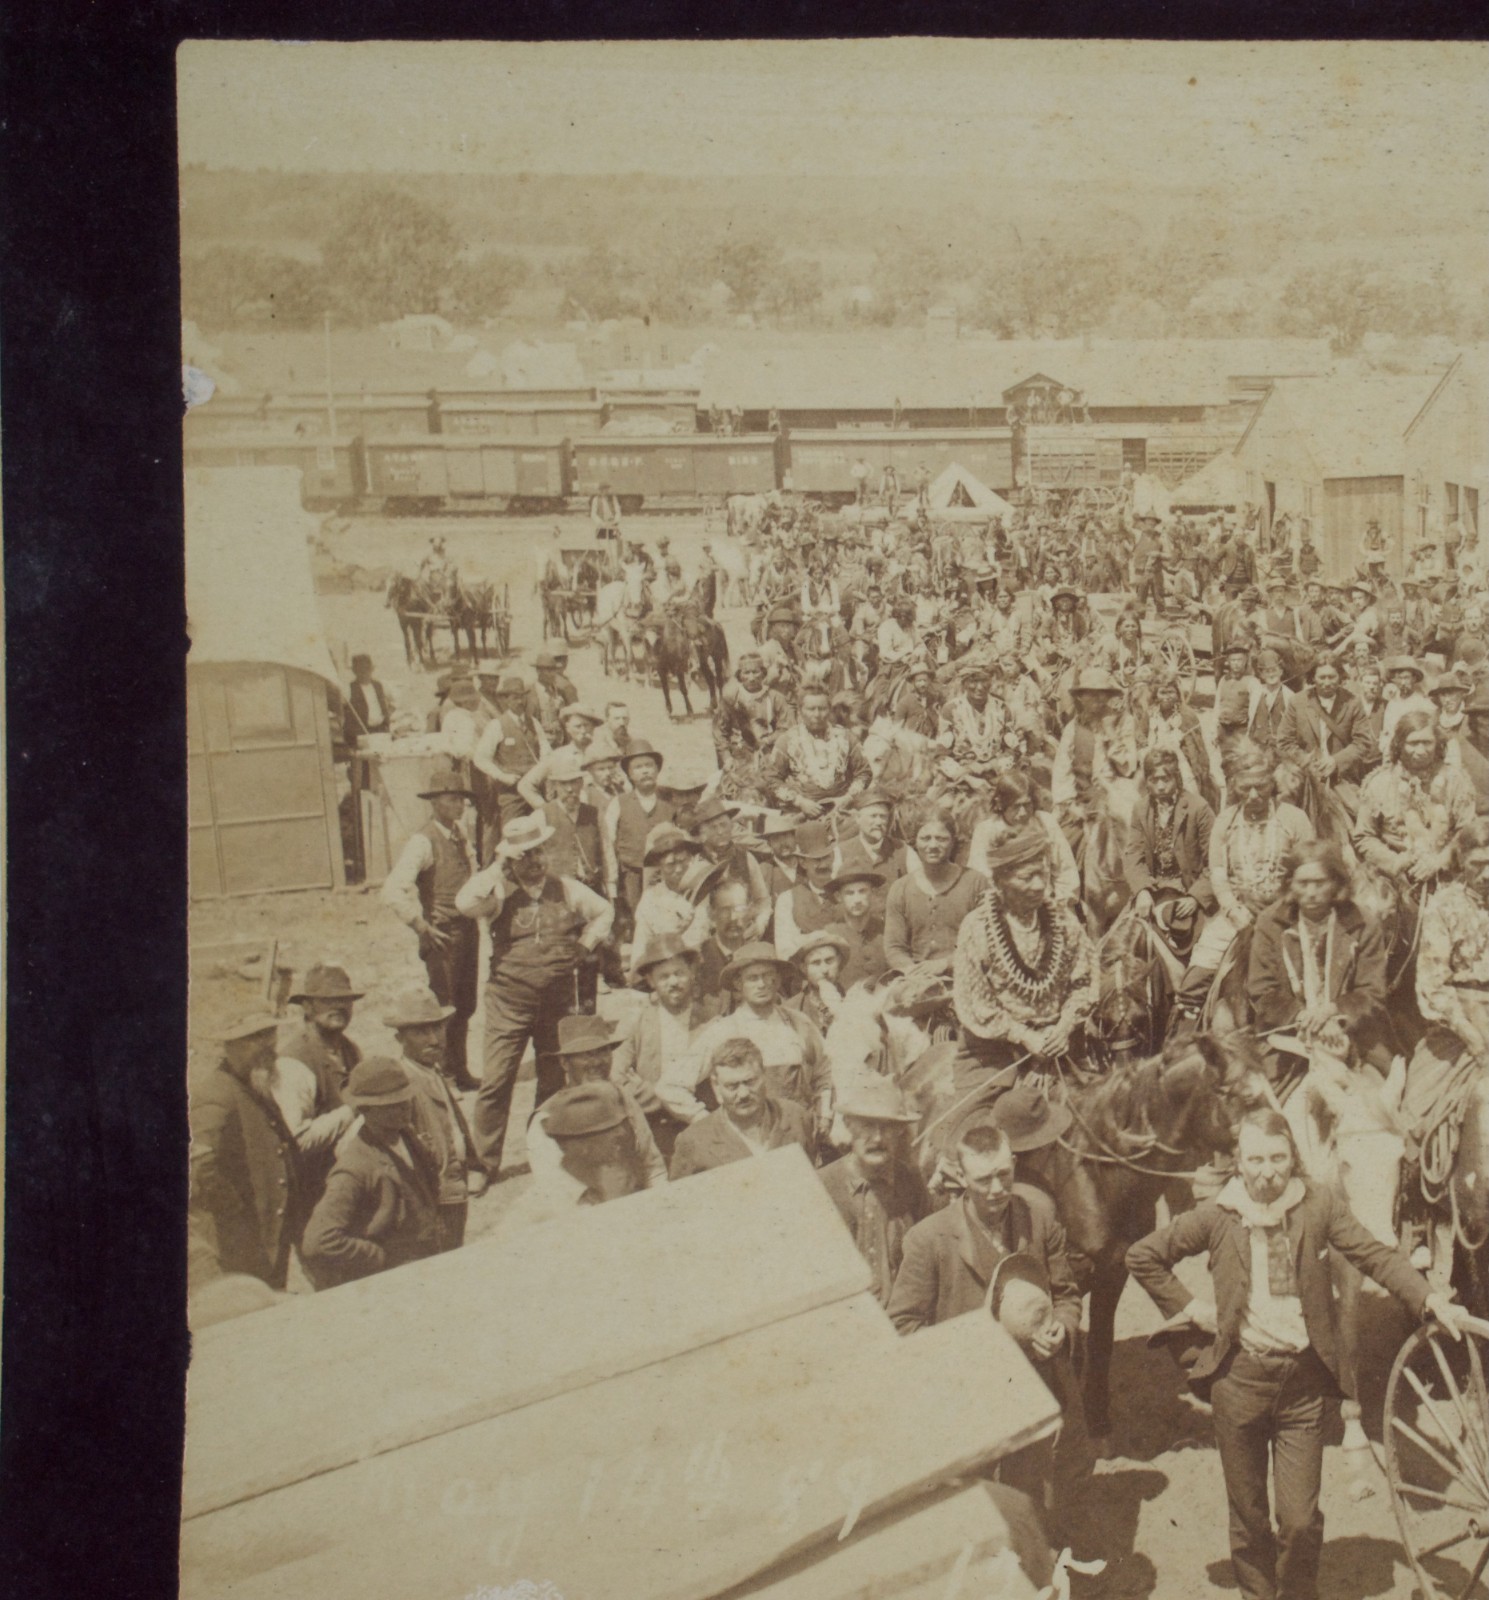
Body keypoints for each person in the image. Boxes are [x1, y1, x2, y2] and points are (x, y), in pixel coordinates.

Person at [1127, 1109, 1467, 1600]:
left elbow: (1374, 1254)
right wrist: (1194, 1309)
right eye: (1256, 1160)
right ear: (1239, 1163)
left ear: (1293, 1158)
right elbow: (1143, 1256)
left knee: (1301, 1520)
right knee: (1248, 1518)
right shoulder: (1219, 1215)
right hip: (1239, 1383)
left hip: (1302, 1388)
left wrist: (1428, 1297)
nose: (1268, 1172)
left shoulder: (1317, 1206)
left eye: (1278, 1158)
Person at [455, 812, 614, 1176]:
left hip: (556, 1002)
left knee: (553, 1077)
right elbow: (463, 903)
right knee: (496, 1081)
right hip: (508, 1002)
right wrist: (497, 868)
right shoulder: (496, 893)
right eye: (525, 855)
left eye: (539, 851)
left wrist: (585, 944)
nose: (535, 860)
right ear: (511, 859)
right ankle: (483, 1164)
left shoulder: (566, 888)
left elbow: (604, 911)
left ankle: (543, 1150)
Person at [954, 824, 1096, 1093]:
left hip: (1061, 1045)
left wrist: (1064, 1028)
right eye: (1026, 877)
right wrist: (1027, 1038)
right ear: (999, 882)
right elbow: (976, 1004)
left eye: (1043, 874)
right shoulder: (976, 928)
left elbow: (1083, 982)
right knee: (983, 1123)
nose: (1039, 885)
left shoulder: (1065, 922)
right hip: (996, 1053)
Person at [1246, 842, 1389, 1082]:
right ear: (1290, 884)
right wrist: (1304, 1019)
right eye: (1303, 883)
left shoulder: (1364, 923)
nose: (1311, 892)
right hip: (1288, 1034)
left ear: (1336, 884)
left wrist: (1333, 1013)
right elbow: (1262, 991)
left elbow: (1372, 991)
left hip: (1353, 1032)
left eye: (1320, 883)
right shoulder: (1270, 923)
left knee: (1387, 1102)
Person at [301, 1058, 444, 1290]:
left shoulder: (406, 1135)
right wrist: (376, 1257)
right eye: (391, 1104)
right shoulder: (355, 1167)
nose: (404, 1108)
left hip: (427, 1264)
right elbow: (318, 1241)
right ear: (365, 1109)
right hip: (394, 1281)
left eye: (405, 1099)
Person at [380, 768, 482, 1092]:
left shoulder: (461, 834)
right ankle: (441, 1077)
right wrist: (421, 925)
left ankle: (459, 1069)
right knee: (444, 1007)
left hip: (467, 928)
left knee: (465, 1004)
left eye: (462, 800)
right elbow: (393, 889)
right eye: (453, 800)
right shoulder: (422, 841)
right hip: (443, 935)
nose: (459, 806)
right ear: (436, 803)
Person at [188, 1013, 303, 1291]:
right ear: (229, 1047)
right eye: (252, 1038)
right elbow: (200, 1164)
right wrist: (237, 1217)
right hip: (239, 1242)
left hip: (267, 1234)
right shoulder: (216, 1094)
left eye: (268, 1034)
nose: (265, 1045)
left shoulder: (255, 1083)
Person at [681, 942, 833, 1134]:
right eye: (752, 978)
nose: (761, 984)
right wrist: (709, 1123)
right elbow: (672, 1086)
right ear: (738, 984)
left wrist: (824, 1115)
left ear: (777, 980)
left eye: (767, 976)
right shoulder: (723, 1030)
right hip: (749, 1140)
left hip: (800, 1135)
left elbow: (825, 1072)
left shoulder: (798, 1022)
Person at [383, 986, 487, 1252]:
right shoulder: (403, 1083)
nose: (433, 1039)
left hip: (453, 1192)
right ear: (400, 1038)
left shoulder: (433, 1071)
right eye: (420, 1032)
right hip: (433, 1199)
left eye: (437, 1028)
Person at [818, 1078, 931, 1306]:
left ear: (900, 1130)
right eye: (867, 1125)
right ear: (848, 1125)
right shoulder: (822, 1186)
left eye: (888, 1127)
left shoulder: (913, 1182)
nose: (878, 1138)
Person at [523, 1015, 668, 1190]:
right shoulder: (543, 1121)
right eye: (586, 1055)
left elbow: (652, 1165)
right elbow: (562, 1195)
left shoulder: (622, 1097)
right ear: (564, 1063)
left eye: (603, 1052)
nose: (597, 1062)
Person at [613, 934, 717, 1158]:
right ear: (650, 981)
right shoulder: (636, 1021)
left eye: (679, 973)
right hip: (652, 1128)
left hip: (701, 1124)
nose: (673, 982)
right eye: (664, 976)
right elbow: (618, 1077)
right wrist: (660, 1098)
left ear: (692, 973)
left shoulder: (710, 1018)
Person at [1353, 711, 1478, 892]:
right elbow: (1364, 835)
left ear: (1437, 744)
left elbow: (1468, 831)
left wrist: (1439, 861)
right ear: (1399, 744)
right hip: (1395, 879)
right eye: (1413, 743)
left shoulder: (1456, 780)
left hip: (1448, 875)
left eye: (1427, 743)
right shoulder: (1379, 782)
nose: (1420, 751)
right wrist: (1396, 862)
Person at [669, 1037, 815, 1178]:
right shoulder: (693, 1141)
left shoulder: (796, 1116)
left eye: (750, 1082)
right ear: (716, 1086)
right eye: (732, 1086)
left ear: (764, 1076)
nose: (743, 1094)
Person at [1123, 748, 1217, 960]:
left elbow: (1216, 862)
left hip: (1188, 891)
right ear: (1146, 781)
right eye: (1154, 780)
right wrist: (1142, 891)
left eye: (1166, 779)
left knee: (1196, 948)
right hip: (1153, 891)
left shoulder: (1198, 808)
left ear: (1177, 777)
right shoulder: (1140, 809)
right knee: (1125, 945)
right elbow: (1133, 856)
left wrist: (1197, 897)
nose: (1160, 786)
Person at [884, 807, 988, 973]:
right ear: (914, 841)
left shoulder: (976, 883)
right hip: (916, 979)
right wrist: (912, 972)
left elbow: (986, 942)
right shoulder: (901, 889)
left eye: (941, 839)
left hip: (967, 974)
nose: (933, 845)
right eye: (925, 838)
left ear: (953, 841)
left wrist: (945, 964)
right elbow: (894, 947)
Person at [967, 772, 1081, 909]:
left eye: (1027, 805)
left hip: (1046, 904)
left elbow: (1065, 869)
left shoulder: (1046, 822)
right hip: (1004, 907)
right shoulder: (985, 831)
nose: (1023, 813)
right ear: (1001, 804)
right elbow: (982, 878)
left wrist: (1060, 903)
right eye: (1016, 806)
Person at [1277, 657, 1374, 814]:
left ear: (1340, 677)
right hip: (1304, 773)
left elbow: (1362, 742)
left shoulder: (1352, 702)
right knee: (1282, 810)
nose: (1327, 682)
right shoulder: (1298, 702)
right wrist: (1308, 764)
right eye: (1322, 677)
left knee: (1359, 815)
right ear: (1313, 678)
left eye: (1332, 676)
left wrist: (1335, 762)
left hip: (1341, 776)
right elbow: (1284, 741)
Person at [765, 686, 871, 819]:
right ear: (800, 711)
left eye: (822, 709)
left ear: (830, 710)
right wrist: (800, 801)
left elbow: (864, 773)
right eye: (811, 709)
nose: (817, 715)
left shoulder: (846, 737)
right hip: (801, 812)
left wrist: (847, 798)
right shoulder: (787, 740)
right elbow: (771, 778)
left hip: (842, 810)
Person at [681, 797, 773, 940]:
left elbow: (762, 900)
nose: (720, 831)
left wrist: (760, 923)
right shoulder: (694, 864)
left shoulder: (745, 857)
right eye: (713, 827)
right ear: (702, 835)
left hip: (745, 934)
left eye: (723, 825)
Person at [601, 737, 673, 916]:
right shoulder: (619, 803)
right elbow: (608, 842)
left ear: (657, 769)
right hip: (631, 876)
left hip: (665, 874)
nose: (645, 771)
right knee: (637, 918)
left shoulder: (670, 800)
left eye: (649, 765)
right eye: (638, 767)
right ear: (629, 774)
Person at [628, 822, 707, 965]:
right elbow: (639, 956)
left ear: (691, 859)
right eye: (671, 864)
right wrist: (675, 933)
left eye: (683, 861)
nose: (678, 869)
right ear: (659, 865)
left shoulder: (703, 890)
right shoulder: (651, 900)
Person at [518, 702, 604, 812]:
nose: (583, 731)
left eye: (587, 725)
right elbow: (525, 785)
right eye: (578, 726)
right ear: (567, 728)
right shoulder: (558, 756)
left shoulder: (602, 754)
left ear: (593, 727)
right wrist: (547, 811)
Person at [772, 819, 839, 958]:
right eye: (816, 860)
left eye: (826, 857)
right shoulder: (787, 900)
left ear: (833, 856)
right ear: (803, 862)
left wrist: (803, 939)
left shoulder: (847, 892)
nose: (823, 865)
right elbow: (784, 951)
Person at [827, 871, 890, 987]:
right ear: (838, 897)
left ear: (873, 893)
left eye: (862, 891)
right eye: (849, 893)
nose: (857, 900)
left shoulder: (887, 931)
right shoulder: (829, 935)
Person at [788, 926, 851, 1034]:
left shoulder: (854, 1001)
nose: (824, 970)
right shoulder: (791, 1010)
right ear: (804, 968)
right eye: (816, 963)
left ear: (839, 961)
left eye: (829, 960)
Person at [344, 653, 393, 743]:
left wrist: (387, 718)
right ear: (355, 671)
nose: (364, 673)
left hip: (381, 730)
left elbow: (391, 704)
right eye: (360, 670)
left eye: (367, 669)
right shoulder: (349, 688)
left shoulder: (379, 685)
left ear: (371, 669)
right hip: (362, 734)